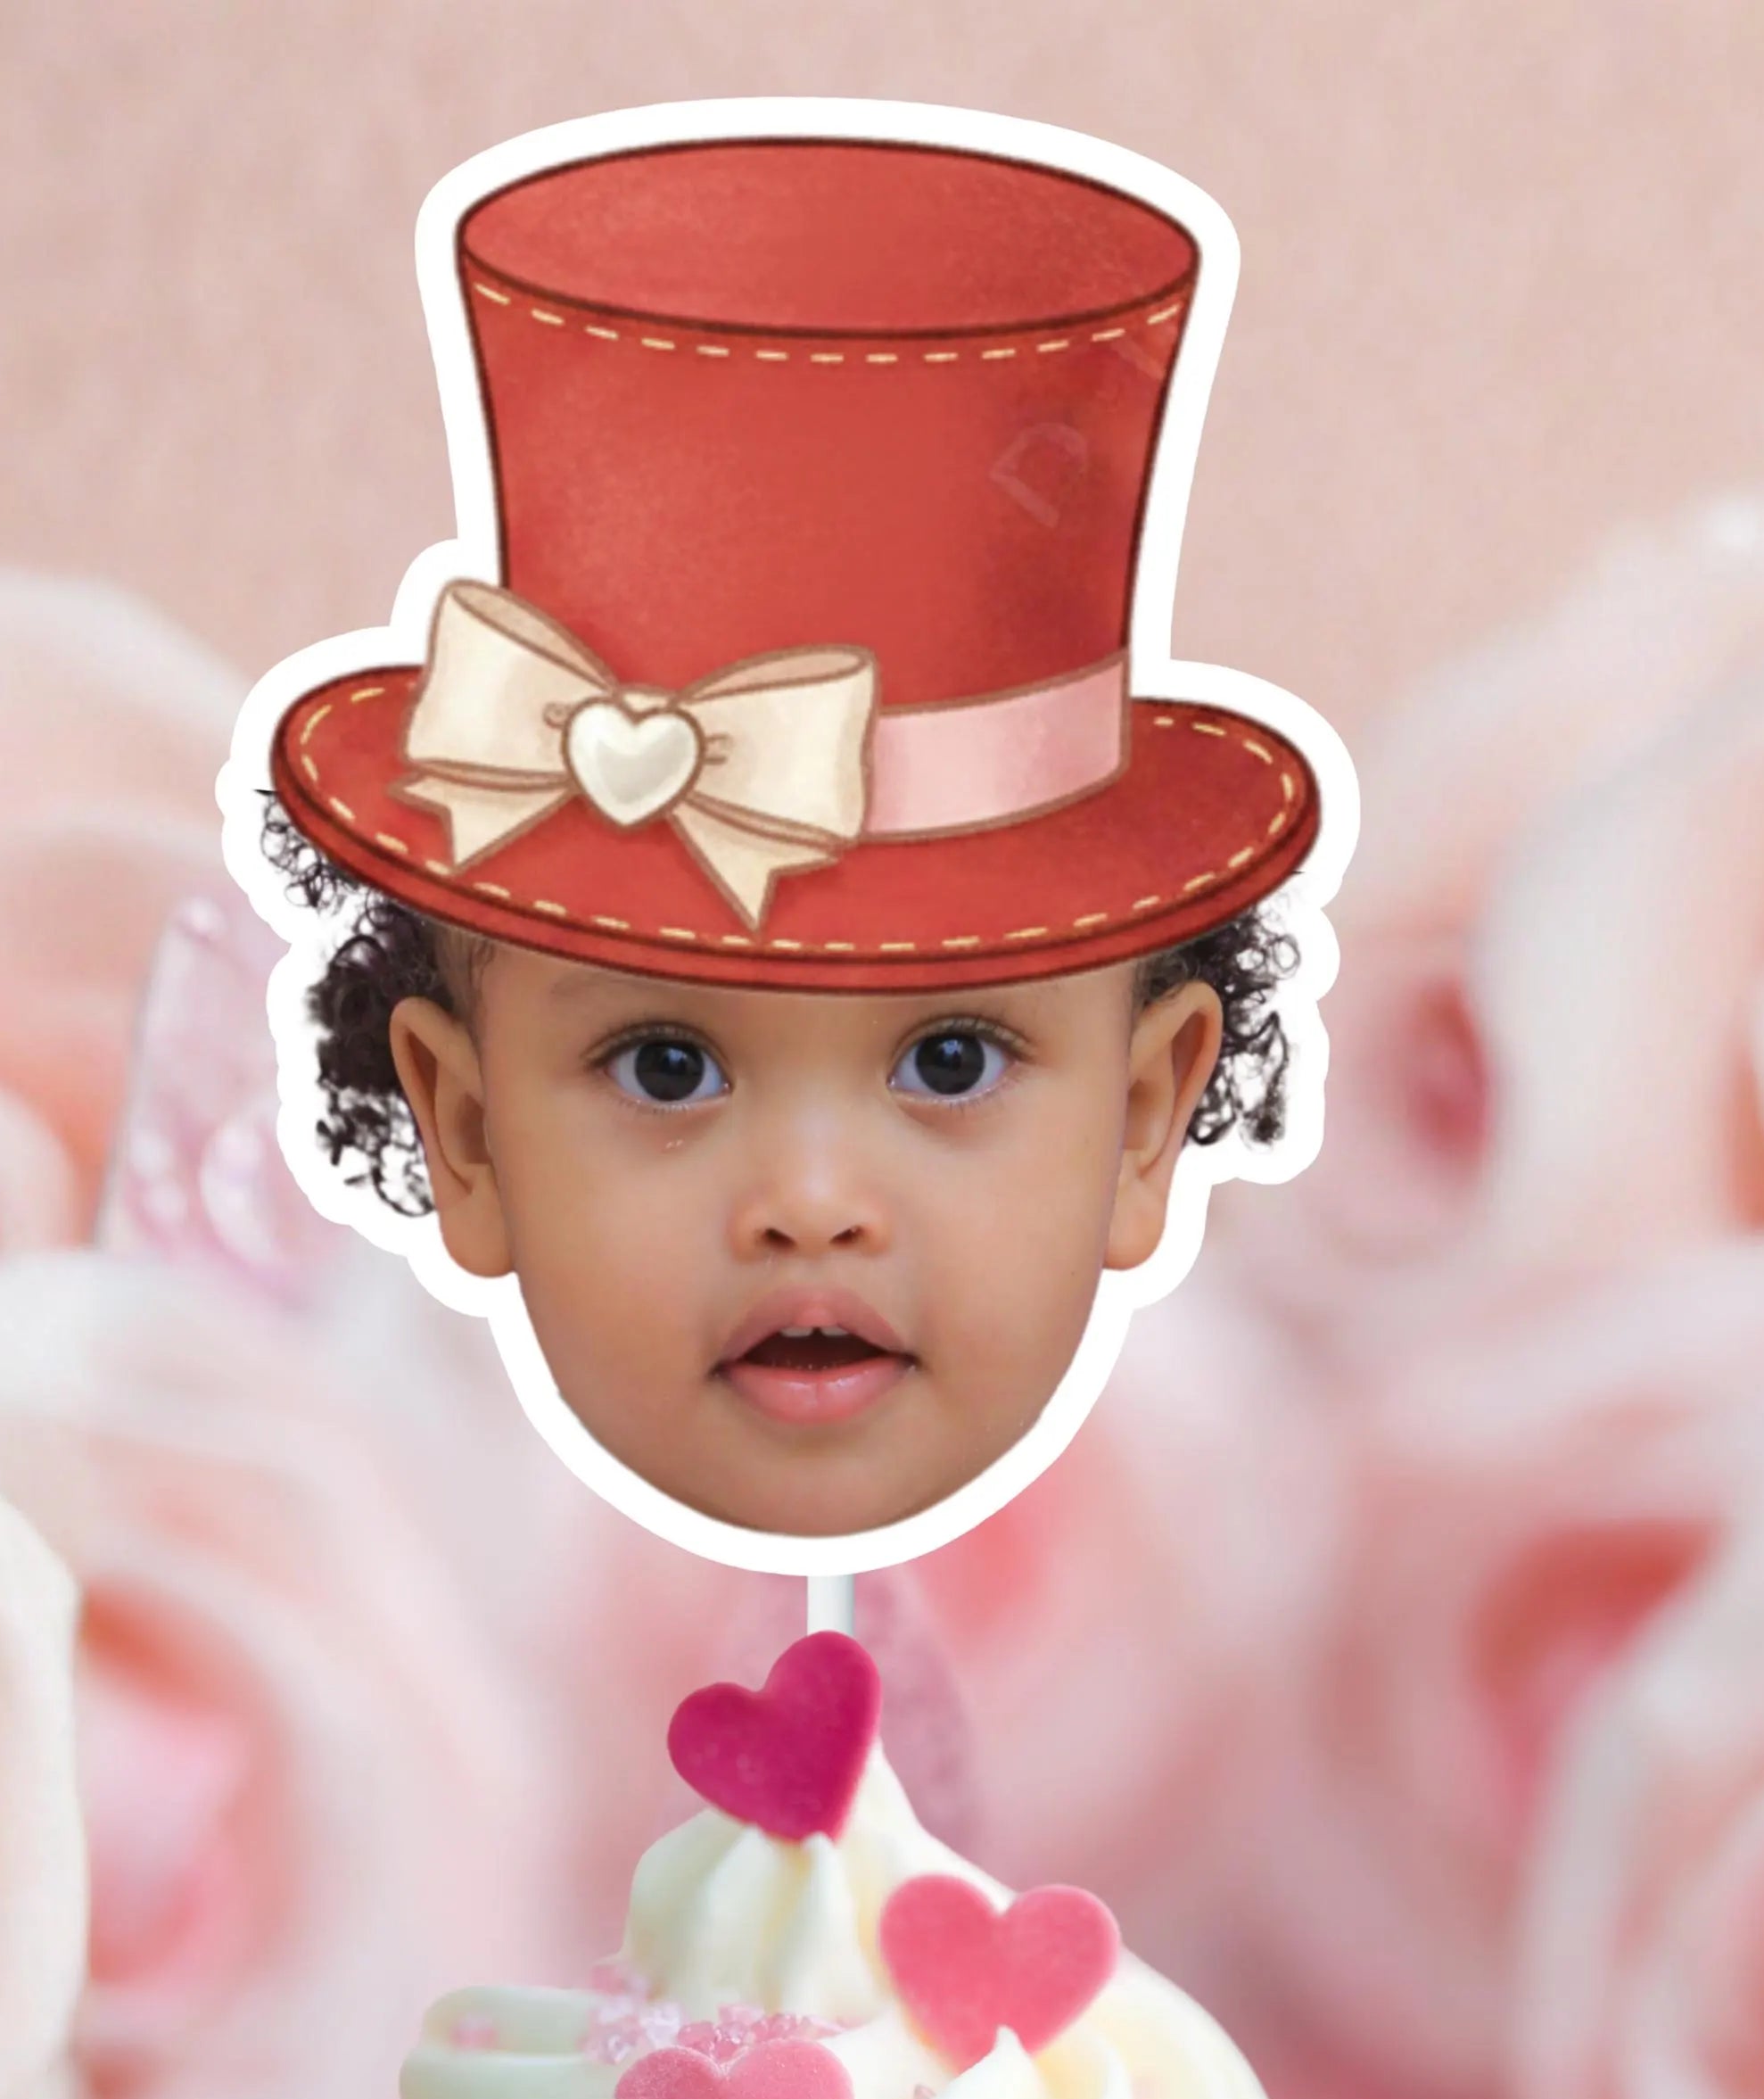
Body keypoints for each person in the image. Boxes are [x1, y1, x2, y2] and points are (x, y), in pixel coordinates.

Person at [244, 125, 1335, 1543]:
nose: (810, 1206)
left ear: (1143, 1121)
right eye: (666, 1065)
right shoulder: (388, 1576)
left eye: (950, 1059)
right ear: (468, 1135)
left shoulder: (1245, 1596)